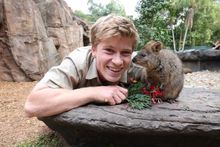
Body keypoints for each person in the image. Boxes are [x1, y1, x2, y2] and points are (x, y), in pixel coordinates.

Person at [24, 14, 146, 118]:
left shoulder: (138, 63)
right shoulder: (78, 61)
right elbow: (32, 105)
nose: (118, 61)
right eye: (109, 50)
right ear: (93, 49)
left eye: (125, 53)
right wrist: (94, 93)